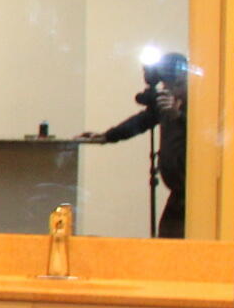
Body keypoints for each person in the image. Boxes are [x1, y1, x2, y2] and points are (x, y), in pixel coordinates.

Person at [80, 51, 189, 237]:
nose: (171, 90)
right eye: (166, 85)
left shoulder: (199, 103)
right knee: (167, 242)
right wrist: (107, 136)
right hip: (177, 194)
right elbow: (140, 122)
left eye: (177, 84)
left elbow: (205, 135)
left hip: (193, 192)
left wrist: (178, 116)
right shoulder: (165, 103)